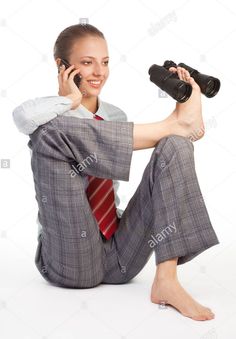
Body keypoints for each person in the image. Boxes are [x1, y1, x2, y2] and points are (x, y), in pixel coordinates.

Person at [12, 23, 219, 321]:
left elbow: (174, 153)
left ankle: (167, 280)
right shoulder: (45, 112)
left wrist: (188, 97)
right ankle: (174, 124)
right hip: (69, 259)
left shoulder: (115, 116)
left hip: (119, 256)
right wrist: (69, 101)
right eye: (87, 63)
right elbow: (23, 118)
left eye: (105, 62)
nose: (99, 72)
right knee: (51, 130)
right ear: (63, 67)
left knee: (176, 144)